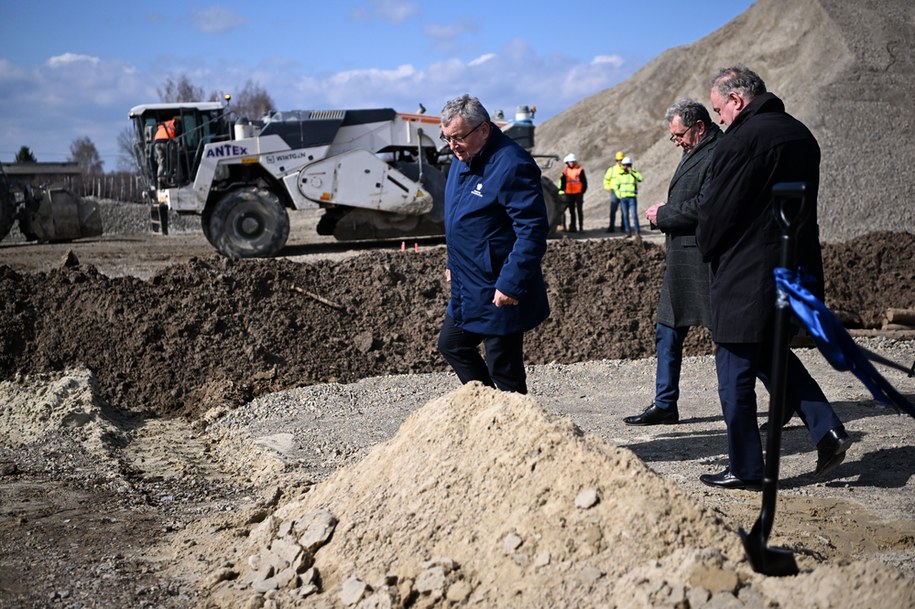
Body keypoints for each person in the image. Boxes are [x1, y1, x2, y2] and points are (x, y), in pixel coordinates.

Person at [695, 65, 852, 490]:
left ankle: (745, 468)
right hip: (791, 269)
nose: (718, 120)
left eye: (718, 110)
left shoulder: (742, 141)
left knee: (734, 375)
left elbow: (717, 213)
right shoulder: (800, 133)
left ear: (737, 101)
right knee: (770, 356)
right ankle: (828, 429)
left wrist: (706, 248)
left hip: (746, 275)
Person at [436, 94, 550, 394]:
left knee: (505, 370)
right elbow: (464, 221)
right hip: (468, 281)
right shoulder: (463, 158)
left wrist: (511, 283)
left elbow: (532, 230)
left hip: (498, 284)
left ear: (483, 129)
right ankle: (488, 413)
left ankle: (521, 436)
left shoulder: (512, 164)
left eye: (458, 137)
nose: (452, 146)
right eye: (447, 138)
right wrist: (453, 264)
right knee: (452, 345)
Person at [623, 99, 722, 426]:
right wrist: (671, 206)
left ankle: (789, 396)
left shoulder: (717, 152)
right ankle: (665, 404)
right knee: (667, 330)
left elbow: (708, 205)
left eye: (679, 135)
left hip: (704, 260)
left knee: (731, 340)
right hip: (681, 260)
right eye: (673, 137)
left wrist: (665, 213)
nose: (676, 141)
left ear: (699, 127)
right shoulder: (693, 150)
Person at [611, 156, 643, 237]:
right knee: (625, 215)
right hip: (623, 198)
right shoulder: (620, 175)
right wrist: (619, 195)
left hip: (632, 198)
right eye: (625, 165)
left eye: (628, 165)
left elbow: (640, 178)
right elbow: (616, 186)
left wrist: (632, 172)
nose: (626, 166)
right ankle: (628, 232)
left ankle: (637, 232)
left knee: (634, 215)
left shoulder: (634, 173)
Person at [559, 153, 588, 232]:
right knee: (572, 212)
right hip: (569, 193)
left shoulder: (580, 170)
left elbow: (584, 182)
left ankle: (581, 227)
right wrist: (563, 189)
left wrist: (582, 191)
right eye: (570, 162)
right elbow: (563, 181)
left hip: (578, 193)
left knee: (579, 210)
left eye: (572, 162)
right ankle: (573, 227)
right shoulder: (565, 171)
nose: (571, 163)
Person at [153, 117, 182, 187]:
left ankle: (159, 179)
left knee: (162, 162)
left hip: (157, 143)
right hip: (166, 142)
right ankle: (179, 180)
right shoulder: (176, 122)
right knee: (176, 162)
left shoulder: (164, 124)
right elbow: (178, 132)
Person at [602, 151, 626, 232]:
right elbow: (606, 180)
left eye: (622, 160)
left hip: (624, 193)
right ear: (616, 160)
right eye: (619, 160)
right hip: (614, 193)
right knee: (613, 211)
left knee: (624, 211)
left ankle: (624, 226)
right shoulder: (611, 170)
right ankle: (611, 227)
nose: (620, 161)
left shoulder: (627, 169)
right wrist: (608, 188)